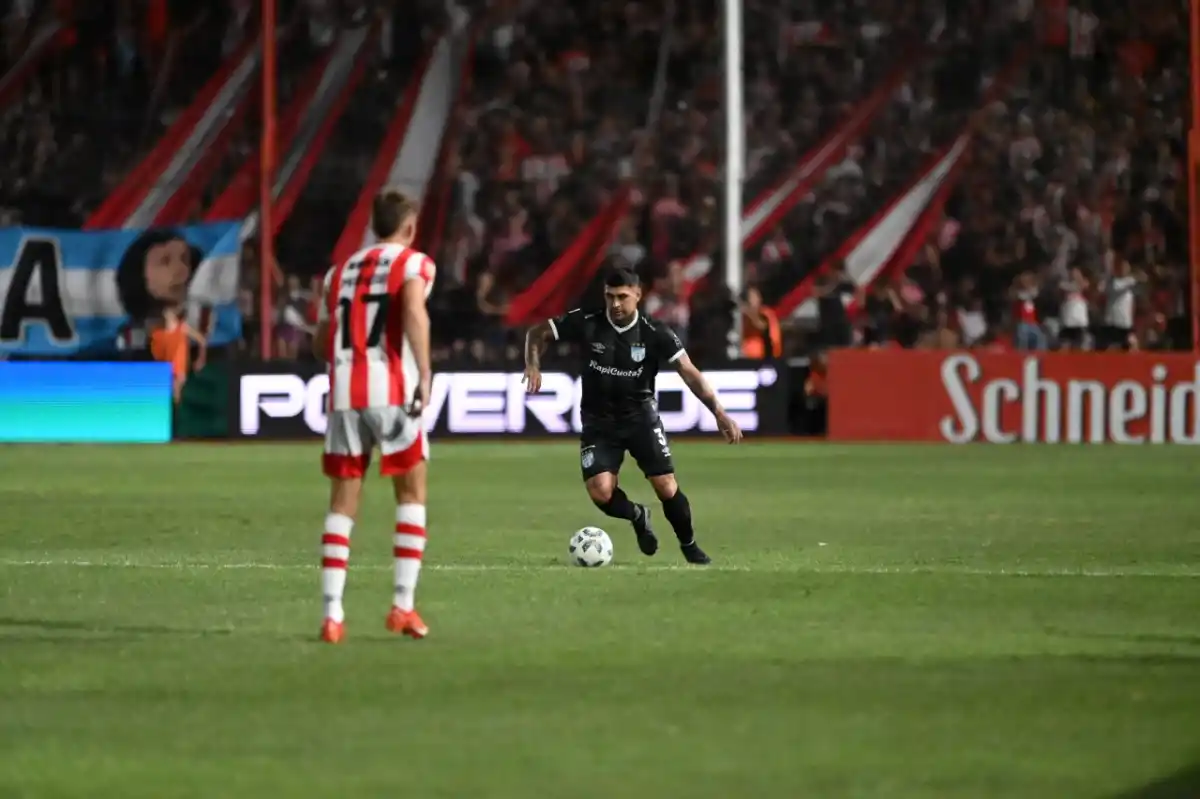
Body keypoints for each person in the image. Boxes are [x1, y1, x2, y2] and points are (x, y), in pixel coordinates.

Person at [522, 266, 743, 566]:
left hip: (641, 419)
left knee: (666, 485)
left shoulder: (655, 332)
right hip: (598, 422)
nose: (615, 304)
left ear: (638, 295)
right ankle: (638, 515)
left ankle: (689, 545)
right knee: (601, 492)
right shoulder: (587, 321)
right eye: (609, 296)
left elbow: (689, 372)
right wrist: (533, 364)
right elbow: (537, 332)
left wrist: (719, 412)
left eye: (622, 297)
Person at [311, 190, 435, 645]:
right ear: (409, 227)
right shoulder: (414, 264)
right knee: (411, 493)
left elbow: (321, 342)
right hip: (392, 389)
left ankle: (332, 616)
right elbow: (413, 312)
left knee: (342, 502)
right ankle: (402, 606)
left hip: (345, 393)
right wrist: (425, 372)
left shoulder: (338, 273)